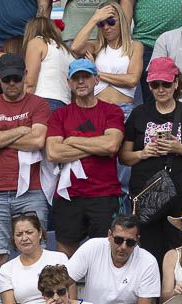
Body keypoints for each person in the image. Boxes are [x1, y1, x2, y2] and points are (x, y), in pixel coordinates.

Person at [120, 58, 182, 264]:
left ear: (176, 83)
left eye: (166, 84)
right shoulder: (139, 113)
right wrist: (143, 153)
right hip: (148, 195)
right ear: (149, 85)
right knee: (150, 254)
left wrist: (179, 148)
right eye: (155, 84)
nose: (161, 89)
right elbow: (124, 157)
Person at [0, 52, 51, 272]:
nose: (11, 83)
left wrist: (1, 136)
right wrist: (19, 130)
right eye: (6, 78)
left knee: (36, 255)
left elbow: (38, 140)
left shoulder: (39, 103)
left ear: (25, 75)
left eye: (16, 78)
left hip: (31, 190)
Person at [46, 59, 126, 258]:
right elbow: (53, 152)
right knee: (65, 258)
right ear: (68, 82)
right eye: (76, 78)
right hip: (68, 195)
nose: (81, 82)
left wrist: (71, 140)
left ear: (97, 79)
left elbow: (111, 145)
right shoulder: (60, 115)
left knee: (105, 256)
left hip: (104, 194)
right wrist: (95, 146)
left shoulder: (111, 111)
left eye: (86, 77)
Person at [69, 4, 143, 120]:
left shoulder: (135, 46)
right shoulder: (97, 46)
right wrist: (94, 19)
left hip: (123, 108)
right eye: (101, 24)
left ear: (121, 21)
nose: (106, 27)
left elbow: (132, 80)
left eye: (111, 22)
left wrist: (96, 73)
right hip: (96, 109)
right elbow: (75, 48)